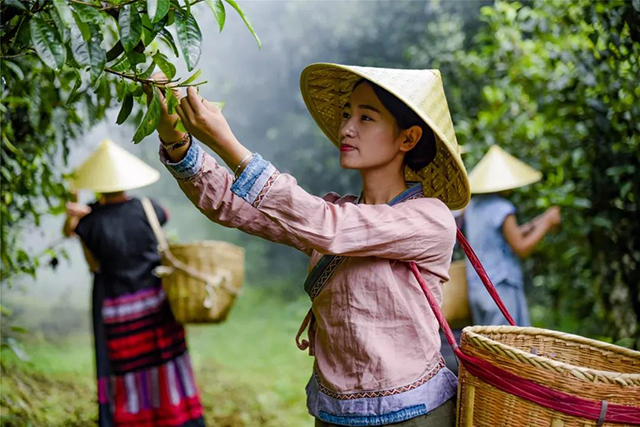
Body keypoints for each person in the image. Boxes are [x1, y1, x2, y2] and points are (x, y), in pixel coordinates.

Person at [146, 63, 471, 426]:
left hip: (414, 416)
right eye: (348, 113)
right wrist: (177, 141)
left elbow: (330, 227)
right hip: (334, 414)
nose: (346, 127)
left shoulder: (429, 218)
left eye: (366, 117)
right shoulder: (333, 212)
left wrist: (226, 142)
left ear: (407, 139)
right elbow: (231, 205)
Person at [63, 139, 205, 427]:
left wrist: (76, 206)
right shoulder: (150, 208)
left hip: (119, 312)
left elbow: (71, 231)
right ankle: (177, 418)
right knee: (167, 364)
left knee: (128, 372)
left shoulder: (90, 223)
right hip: (156, 304)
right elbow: (166, 215)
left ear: (98, 186)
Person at [464, 145, 561, 326]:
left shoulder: (472, 207)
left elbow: (506, 235)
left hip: (478, 287)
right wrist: (547, 223)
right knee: (507, 346)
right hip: (501, 286)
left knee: (487, 346)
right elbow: (521, 247)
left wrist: (539, 221)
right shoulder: (502, 208)